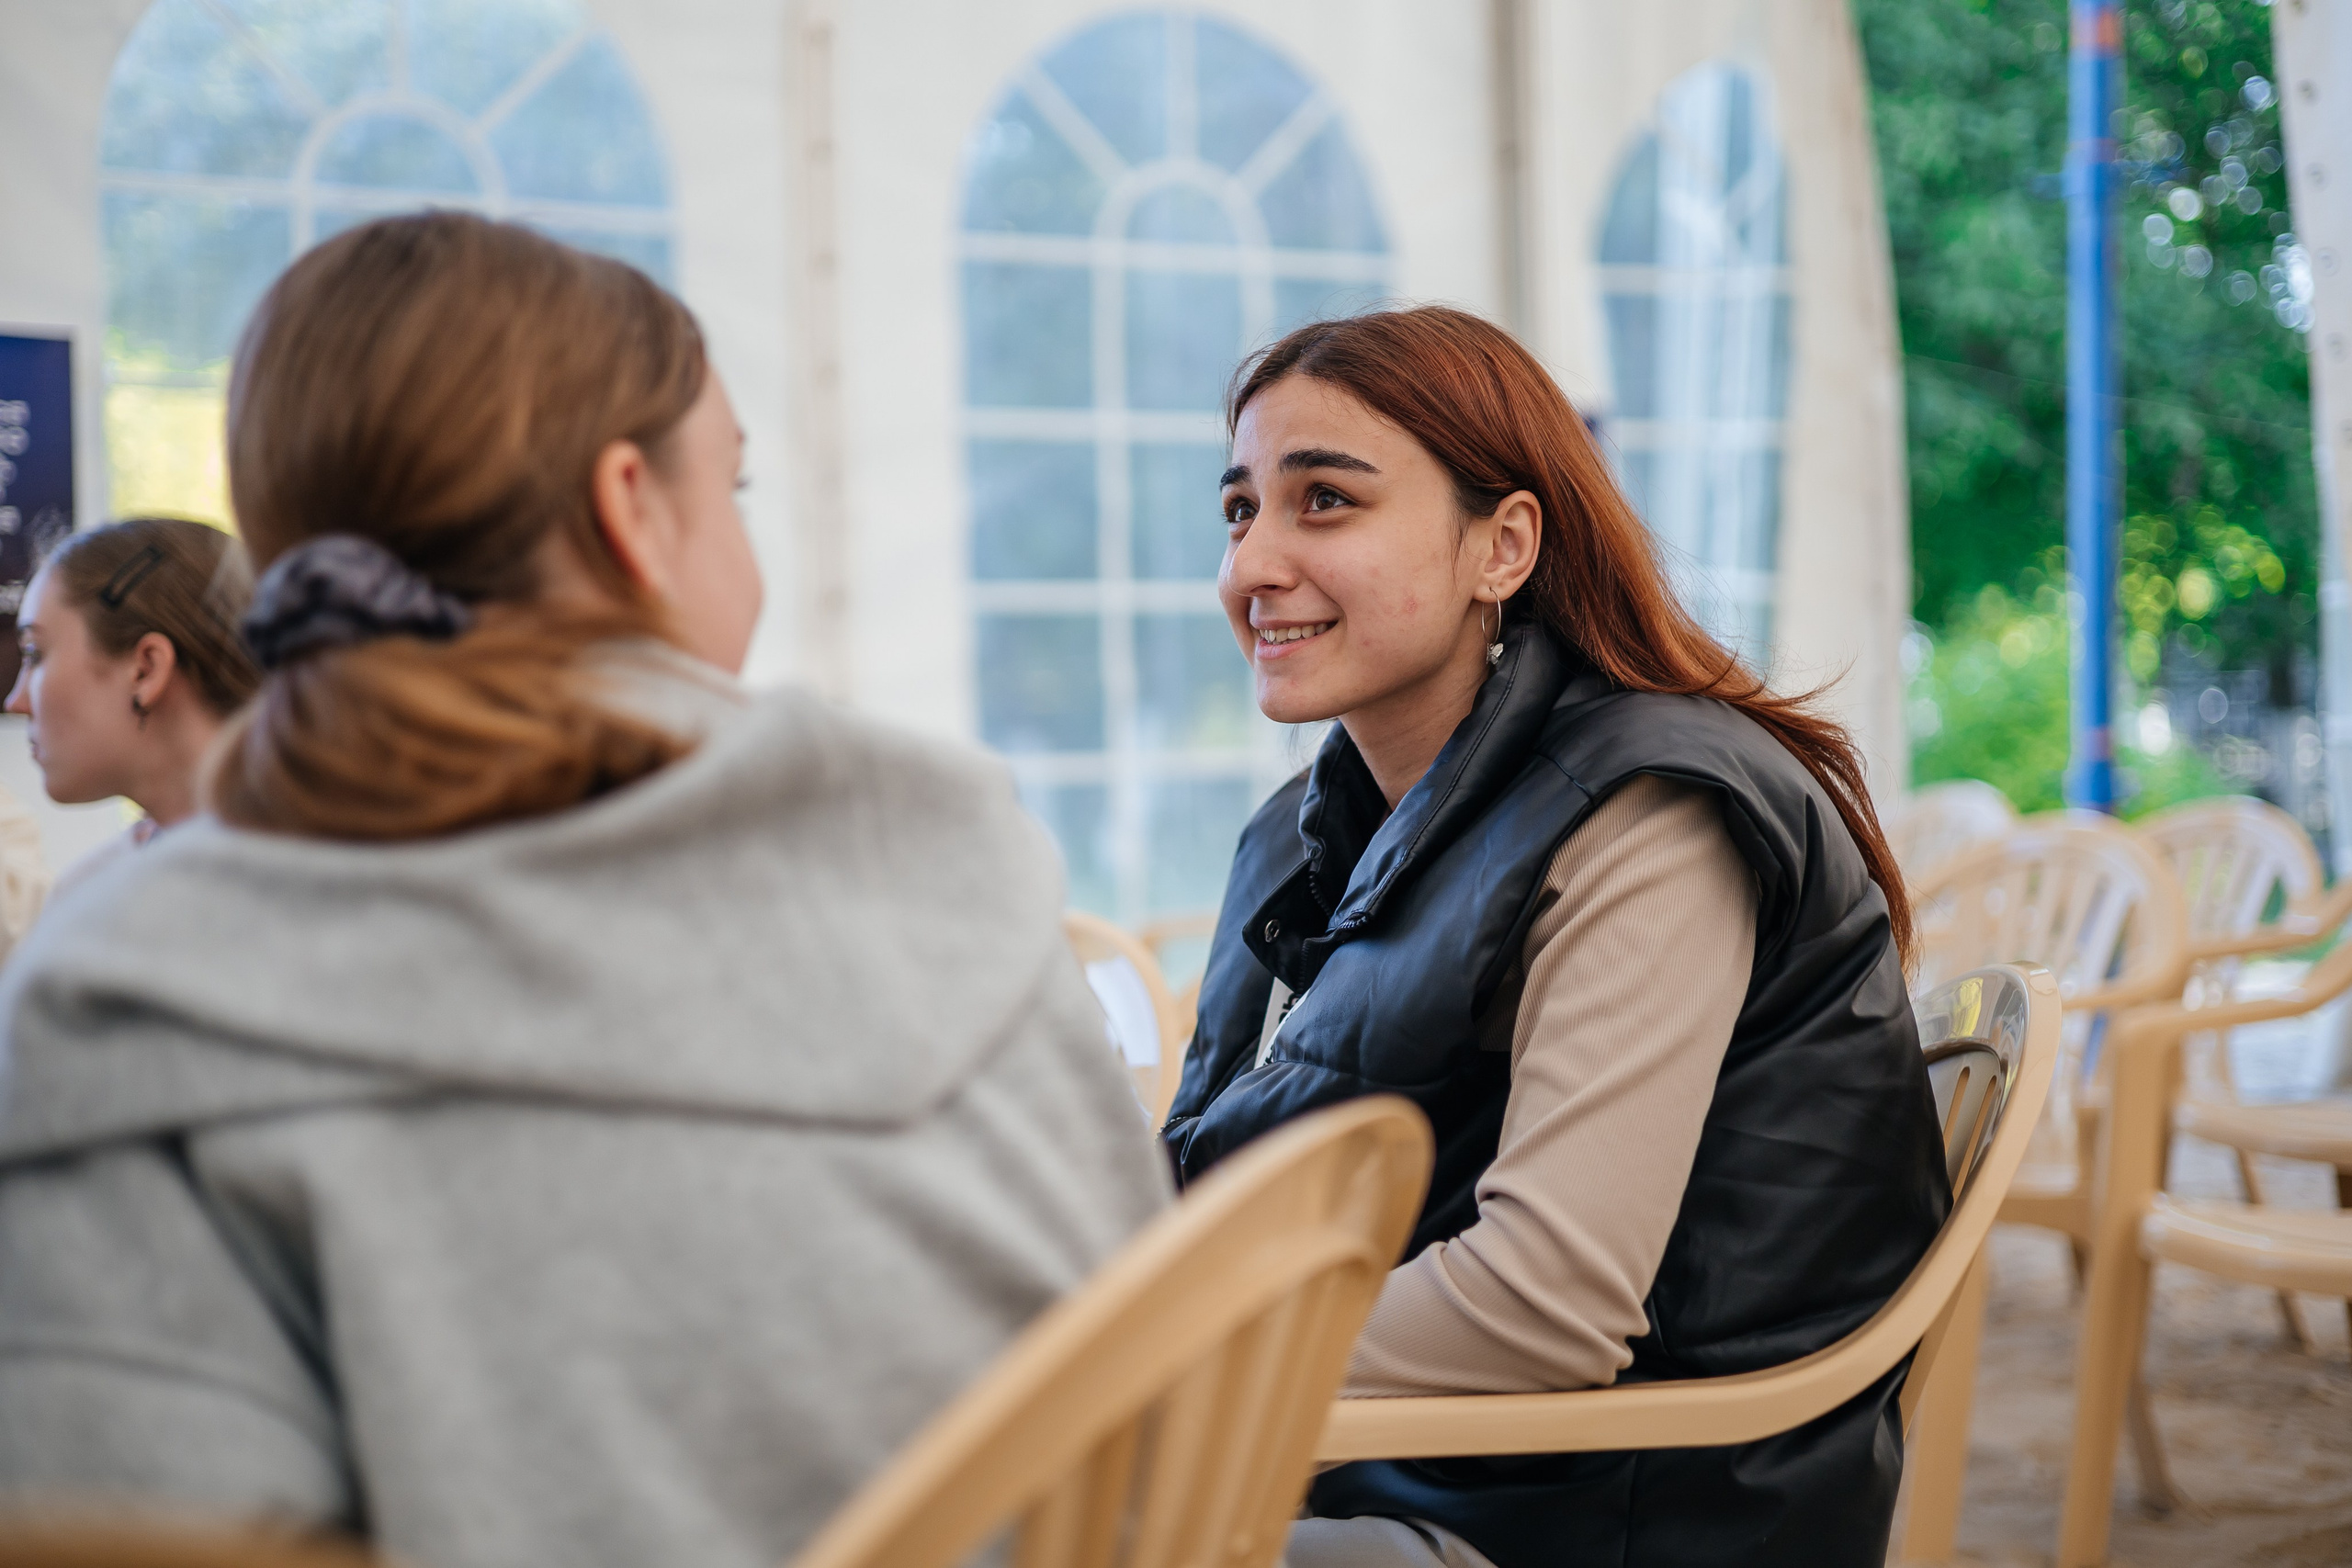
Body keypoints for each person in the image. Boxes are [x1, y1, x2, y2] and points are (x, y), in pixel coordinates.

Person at [0, 214, 1167, 1568]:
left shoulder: (112, 990)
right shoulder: (955, 849)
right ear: (630, 510)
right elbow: (1155, 1371)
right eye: (733, 491)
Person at [1163, 307, 1949, 1568]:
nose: (1254, 564)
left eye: (1326, 502)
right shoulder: (1308, 835)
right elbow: (1221, 1175)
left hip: (1615, 1514)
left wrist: (1148, 1352)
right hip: (1404, 1464)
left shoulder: (1649, 808)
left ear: (1504, 544)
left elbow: (1542, 1305)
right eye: (1241, 509)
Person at [6, 517, 260, 898]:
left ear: (146, 669)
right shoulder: (92, 898)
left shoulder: (101, 917)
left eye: (35, 654)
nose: (15, 702)